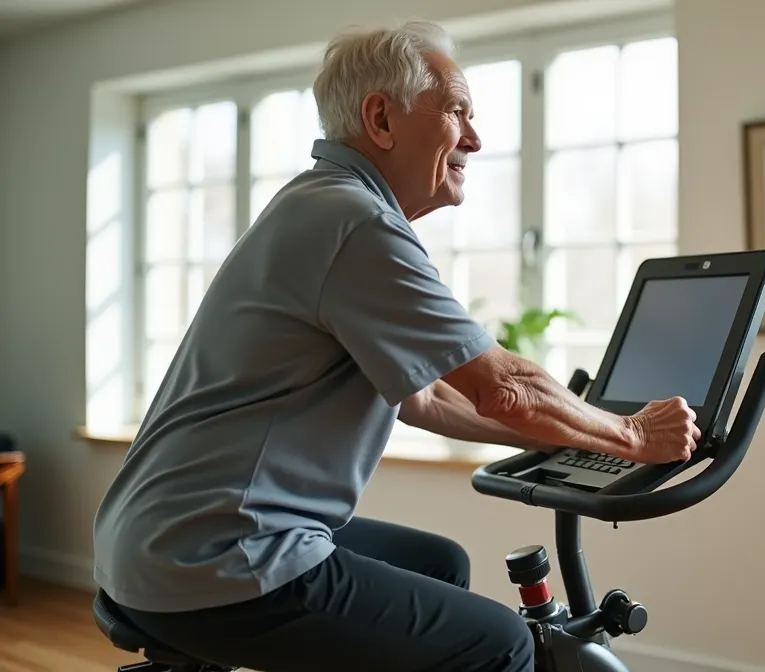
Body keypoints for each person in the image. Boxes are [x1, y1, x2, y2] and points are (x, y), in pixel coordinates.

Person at [91, 20, 700, 672]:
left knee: (441, 566)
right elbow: (504, 388)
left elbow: (427, 397)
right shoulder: (355, 221)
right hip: (218, 553)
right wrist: (633, 436)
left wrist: (560, 438)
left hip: (157, 540)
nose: (475, 137)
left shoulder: (320, 202)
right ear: (381, 119)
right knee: (503, 649)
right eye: (457, 111)